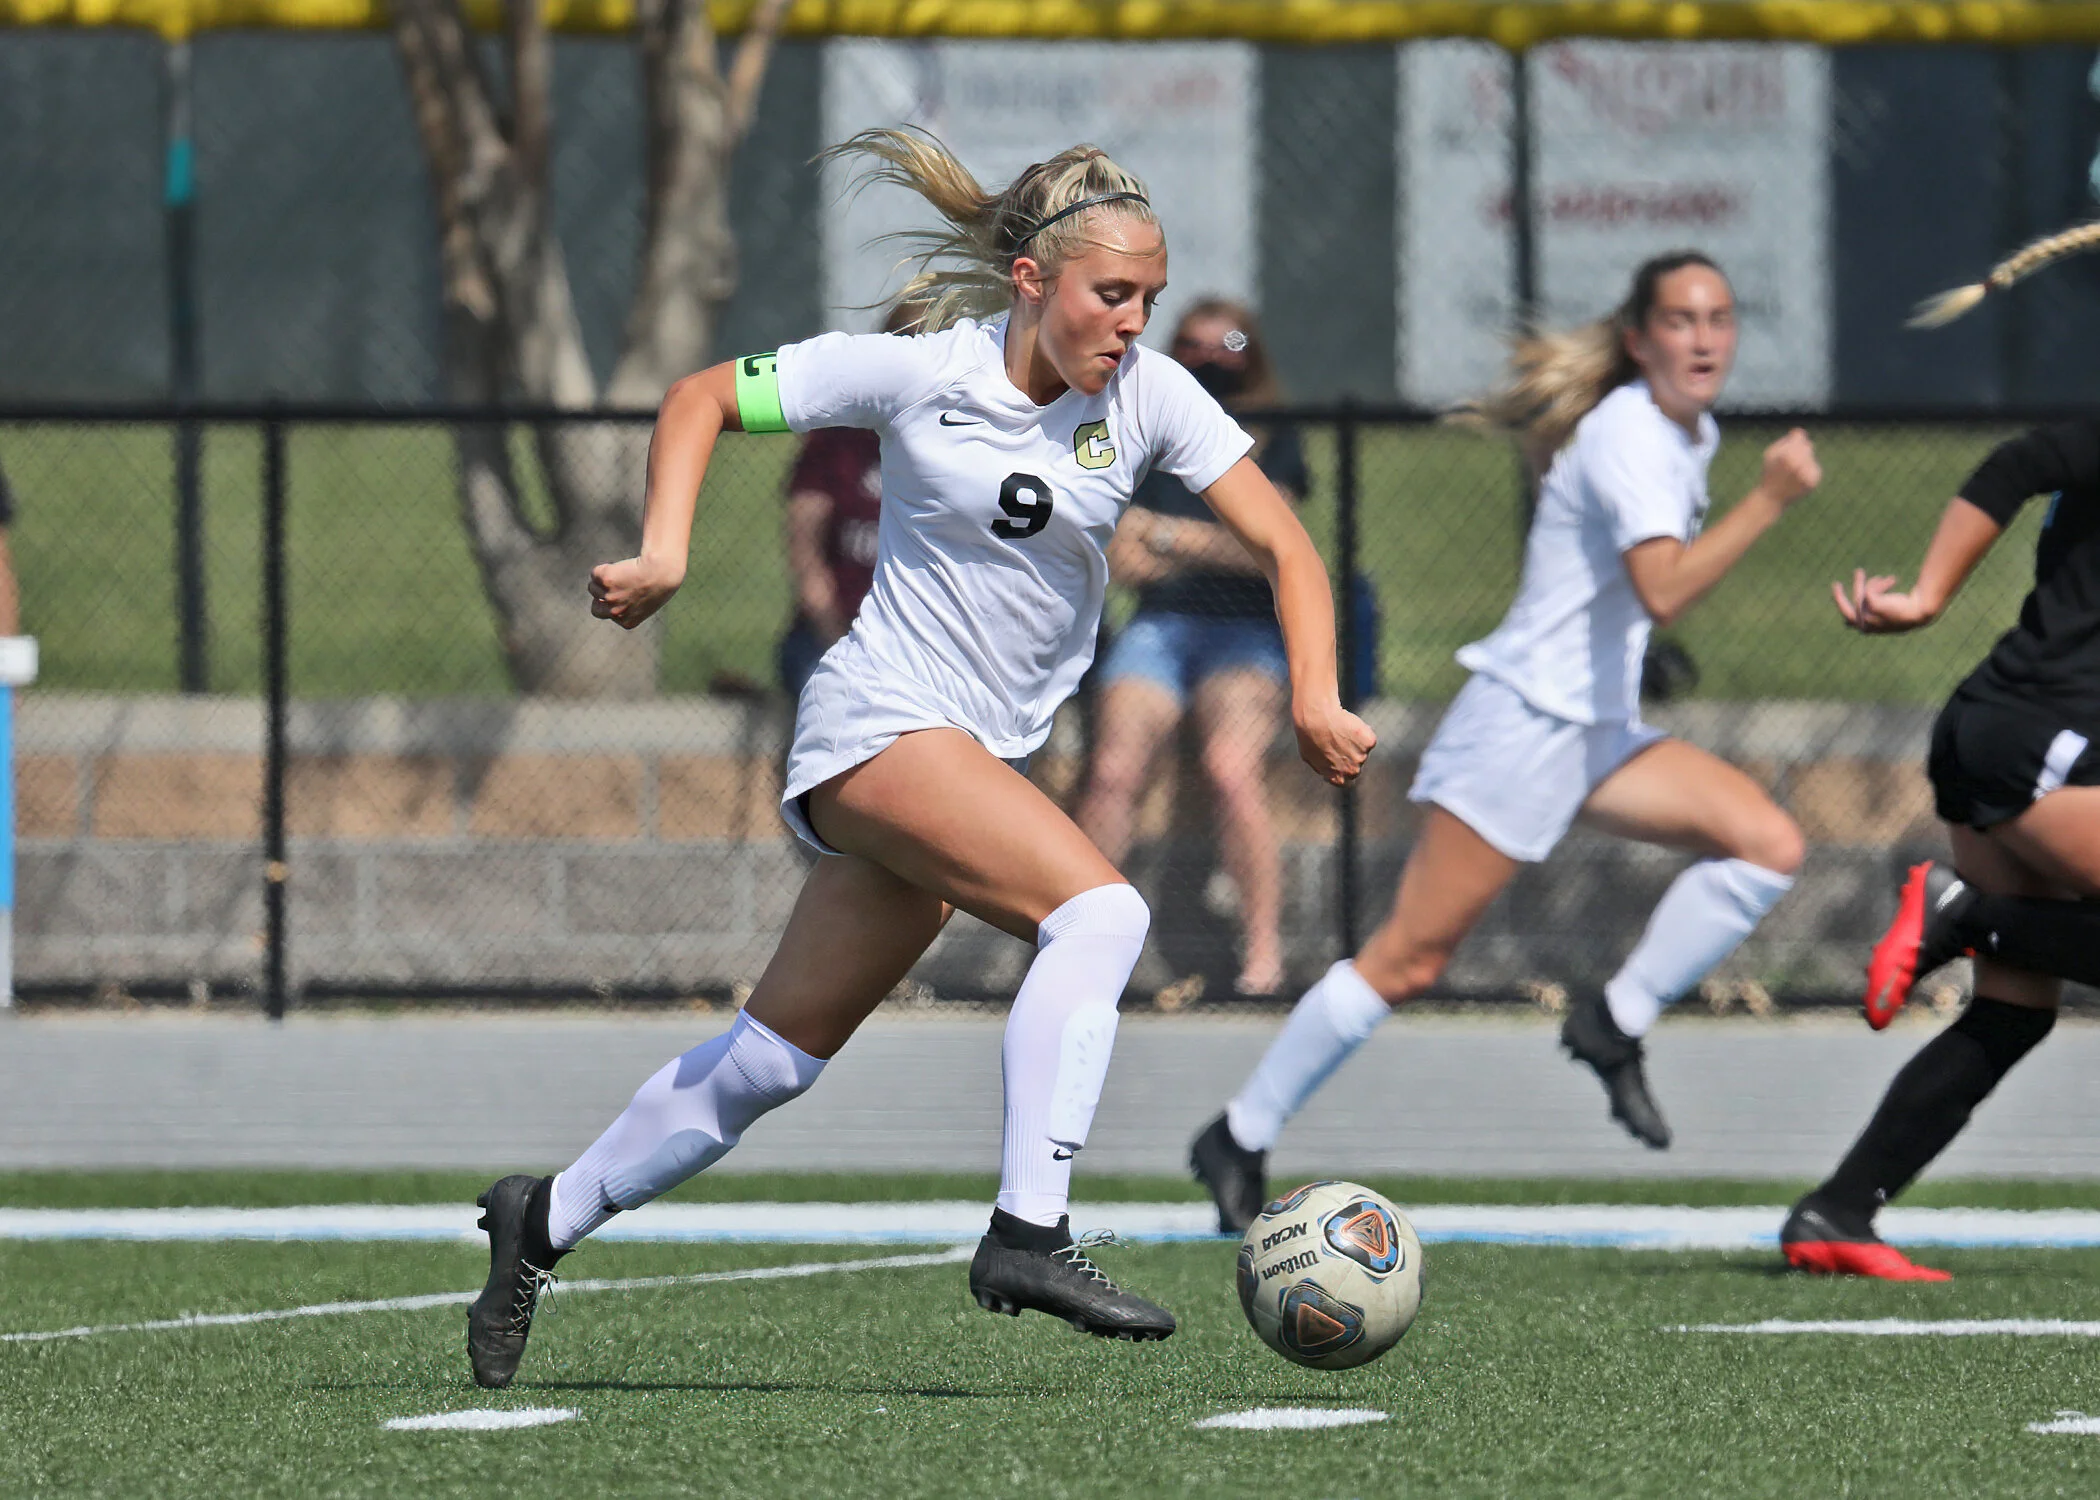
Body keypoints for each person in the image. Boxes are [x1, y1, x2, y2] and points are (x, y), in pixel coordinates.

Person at [462, 128, 1375, 1387]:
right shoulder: (915, 372)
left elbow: (1289, 549)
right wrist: (667, 552)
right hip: (875, 725)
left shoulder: (1152, 396)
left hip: (959, 763)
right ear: (1033, 282)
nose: (1133, 321)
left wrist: (1316, 698)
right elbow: (700, 397)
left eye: (1151, 299)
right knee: (1101, 914)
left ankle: (542, 1218)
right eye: (1114, 294)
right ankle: (1028, 1231)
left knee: (769, 1064)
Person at [1189, 251, 1823, 1234]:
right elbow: (1662, 586)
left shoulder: (1683, 430)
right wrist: (1771, 497)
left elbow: (1616, 584)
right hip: (1523, 726)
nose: (1705, 338)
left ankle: (1612, 1022)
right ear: (1638, 338)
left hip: (1595, 729)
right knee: (1406, 962)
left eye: (1720, 319)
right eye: (1682, 320)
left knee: (1769, 844)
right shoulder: (1629, 433)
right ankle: (1237, 1131)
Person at [1782, 221, 2100, 1281]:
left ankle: (1836, 1211)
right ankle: (1962, 916)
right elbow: (2022, 462)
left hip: (1996, 734)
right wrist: (1925, 595)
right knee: (2003, 958)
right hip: (2039, 744)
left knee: (2013, 1015)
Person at [1076, 299, 1307, 997]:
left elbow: (1273, 548)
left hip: (1244, 631)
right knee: (1114, 771)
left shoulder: (1274, 431)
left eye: (1229, 343)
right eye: (1192, 345)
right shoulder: (1141, 419)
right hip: (1160, 626)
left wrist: (1171, 538)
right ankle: (1075, 949)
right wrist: (1205, 547)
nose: (1211, 359)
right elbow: (1124, 555)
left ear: (1255, 351)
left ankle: (1262, 959)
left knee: (1231, 768)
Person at [777, 301, 926, 700]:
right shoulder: (838, 441)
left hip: (931, 648)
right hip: (837, 633)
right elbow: (807, 556)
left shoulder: (963, 442)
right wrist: (843, 646)